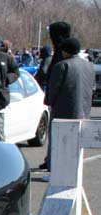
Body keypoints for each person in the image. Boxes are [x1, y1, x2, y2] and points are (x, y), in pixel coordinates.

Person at [42, 38, 93, 171]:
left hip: (63, 111)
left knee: (58, 144)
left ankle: (54, 170)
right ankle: (72, 171)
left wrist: (49, 102)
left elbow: (53, 88)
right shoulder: (89, 66)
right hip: (84, 111)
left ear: (66, 51)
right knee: (76, 146)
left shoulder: (62, 65)